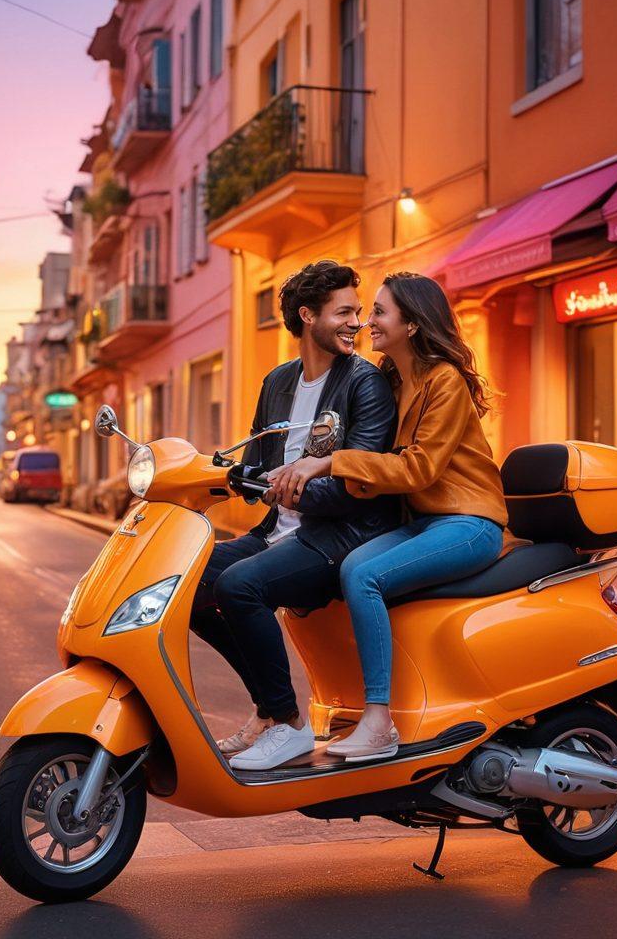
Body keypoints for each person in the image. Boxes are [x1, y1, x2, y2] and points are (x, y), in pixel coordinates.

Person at [270, 272, 508, 761]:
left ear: (413, 324)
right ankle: (356, 710)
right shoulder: (393, 380)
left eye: (378, 312)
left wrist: (329, 462)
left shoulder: (444, 382)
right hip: (423, 522)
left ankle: (379, 722)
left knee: (367, 574)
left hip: (469, 521)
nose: (366, 323)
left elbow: (419, 467)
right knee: (349, 564)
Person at [190, 260, 400, 771]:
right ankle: (270, 711)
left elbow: (362, 482)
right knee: (188, 584)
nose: (357, 322)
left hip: (341, 538)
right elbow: (261, 463)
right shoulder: (278, 382)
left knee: (239, 587)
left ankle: (289, 726)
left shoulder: (363, 384)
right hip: (277, 534)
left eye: (358, 311)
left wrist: (295, 492)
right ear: (308, 316)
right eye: (344, 312)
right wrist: (226, 476)